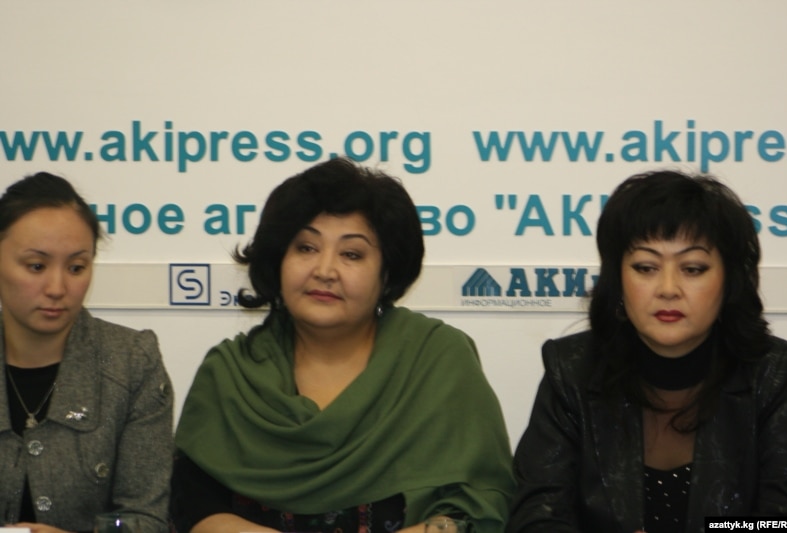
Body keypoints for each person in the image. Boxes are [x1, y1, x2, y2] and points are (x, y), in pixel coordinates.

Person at [171, 158, 515, 533]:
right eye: (306, 248)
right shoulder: (230, 373)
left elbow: (479, 503)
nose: (324, 270)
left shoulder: (437, 360)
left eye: (351, 254)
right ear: (278, 259)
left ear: (387, 273)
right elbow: (193, 506)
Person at [509, 170, 787, 532]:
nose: (668, 288)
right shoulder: (571, 371)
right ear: (617, 279)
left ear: (729, 281)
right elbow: (535, 517)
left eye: (692, 269)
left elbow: (783, 521)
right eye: (646, 267)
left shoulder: (777, 375)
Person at [0, 172, 174, 533]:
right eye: (36, 266)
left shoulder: (131, 362)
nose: (57, 287)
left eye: (76, 268)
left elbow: (147, 519)